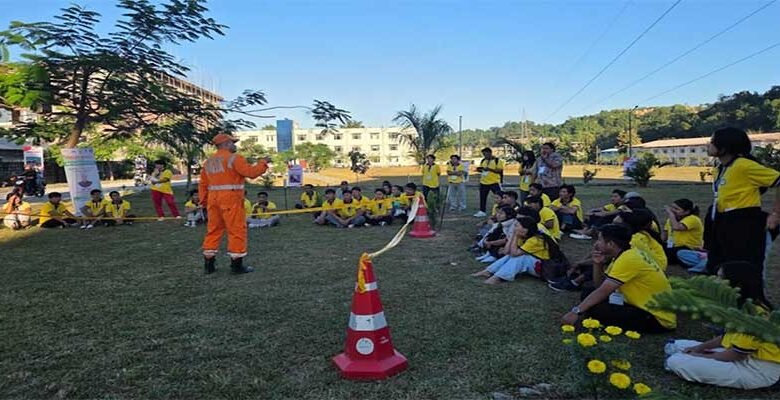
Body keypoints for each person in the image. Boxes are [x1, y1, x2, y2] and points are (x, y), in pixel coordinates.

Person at [664, 262, 780, 389]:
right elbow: (726, 337)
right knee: (677, 345)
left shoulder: (753, 314)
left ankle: (680, 361)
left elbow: (737, 354)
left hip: (757, 370)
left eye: (720, 278)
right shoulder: (740, 305)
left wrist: (699, 355)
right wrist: (699, 348)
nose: (715, 281)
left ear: (737, 285)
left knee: (676, 362)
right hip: (743, 357)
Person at [561, 224, 677, 333]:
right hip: (638, 304)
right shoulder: (625, 253)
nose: (596, 243)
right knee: (588, 291)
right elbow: (599, 286)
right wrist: (598, 264)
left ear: (610, 244)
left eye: (600, 239)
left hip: (656, 318)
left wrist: (576, 311)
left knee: (596, 309)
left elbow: (603, 291)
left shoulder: (629, 259)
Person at [705, 127, 780, 279]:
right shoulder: (720, 168)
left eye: (712, 142)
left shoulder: (744, 165)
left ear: (724, 147)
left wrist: (776, 214)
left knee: (744, 267)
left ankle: (752, 299)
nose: (708, 144)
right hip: (722, 221)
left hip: (744, 223)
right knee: (719, 265)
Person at [200, 133, 270, 274]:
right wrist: (263, 163)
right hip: (231, 199)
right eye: (233, 142)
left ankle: (209, 265)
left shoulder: (208, 162)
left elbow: (203, 184)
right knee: (236, 230)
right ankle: (236, 266)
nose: (235, 145)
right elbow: (250, 172)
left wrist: (204, 202)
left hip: (213, 201)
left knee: (213, 231)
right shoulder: (234, 158)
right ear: (226, 143)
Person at [472, 215, 562, 285]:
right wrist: (514, 236)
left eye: (517, 226)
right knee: (513, 255)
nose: (514, 228)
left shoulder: (536, 240)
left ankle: (498, 277)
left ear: (525, 228)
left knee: (521, 257)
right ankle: (488, 271)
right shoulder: (523, 236)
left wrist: (515, 236)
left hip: (545, 269)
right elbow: (507, 252)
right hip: (536, 265)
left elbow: (515, 253)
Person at [662, 199, 704, 265]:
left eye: (676, 209)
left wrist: (671, 214)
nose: (672, 210)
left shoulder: (693, 219)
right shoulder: (672, 220)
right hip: (673, 247)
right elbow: (665, 236)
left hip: (688, 249)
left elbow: (677, 227)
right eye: (672, 207)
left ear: (687, 212)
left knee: (665, 254)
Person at [474, 147, 505, 217]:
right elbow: (482, 170)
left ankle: (503, 209)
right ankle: (482, 211)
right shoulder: (483, 161)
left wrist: (489, 169)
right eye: (483, 154)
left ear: (490, 153)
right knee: (482, 197)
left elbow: (499, 170)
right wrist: (480, 170)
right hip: (484, 182)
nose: (484, 156)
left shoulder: (497, 161)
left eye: (485, 154)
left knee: (500, 197)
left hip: (494, 182)